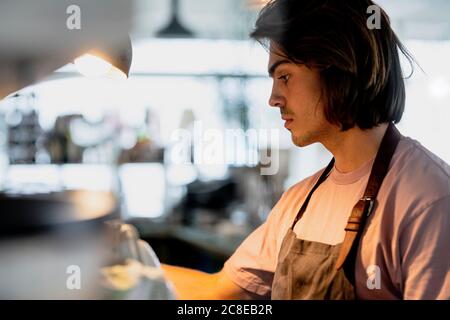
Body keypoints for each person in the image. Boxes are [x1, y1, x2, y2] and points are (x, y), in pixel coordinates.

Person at [162, 0, 450, 299]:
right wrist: (131, 268)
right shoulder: (299, 201)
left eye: (284, 76)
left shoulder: (430, 199)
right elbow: (221, 291)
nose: (273, 99)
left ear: (340, 68)